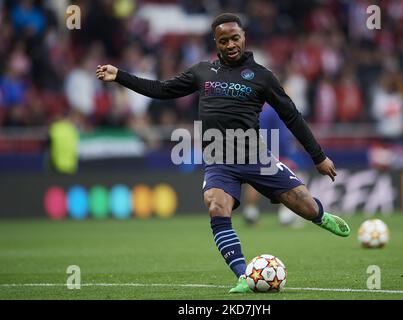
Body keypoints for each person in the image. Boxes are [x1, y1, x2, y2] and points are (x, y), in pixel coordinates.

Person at [96, 13, 350, 294]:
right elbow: (162, 90)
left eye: (235, 38)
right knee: (216, 206)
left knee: (304, 204)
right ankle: (244, 275)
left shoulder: (263, 77)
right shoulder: (202, 72)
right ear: (216, 43)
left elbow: (292, 116)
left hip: (255, 156)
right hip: (219, 159)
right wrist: (120, 76)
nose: (230, 44)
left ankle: (321, 216)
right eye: (224, 40)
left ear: (244, 38)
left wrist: (319, 157)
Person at [242, 103, 304, 228]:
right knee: (288, 181)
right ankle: (286, 216)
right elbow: (280, 134)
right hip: (274, 151)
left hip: (258, 149)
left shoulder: (260, 109)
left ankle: (250, 213)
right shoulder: (275, 109)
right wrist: (285, 152)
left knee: (255, 181)